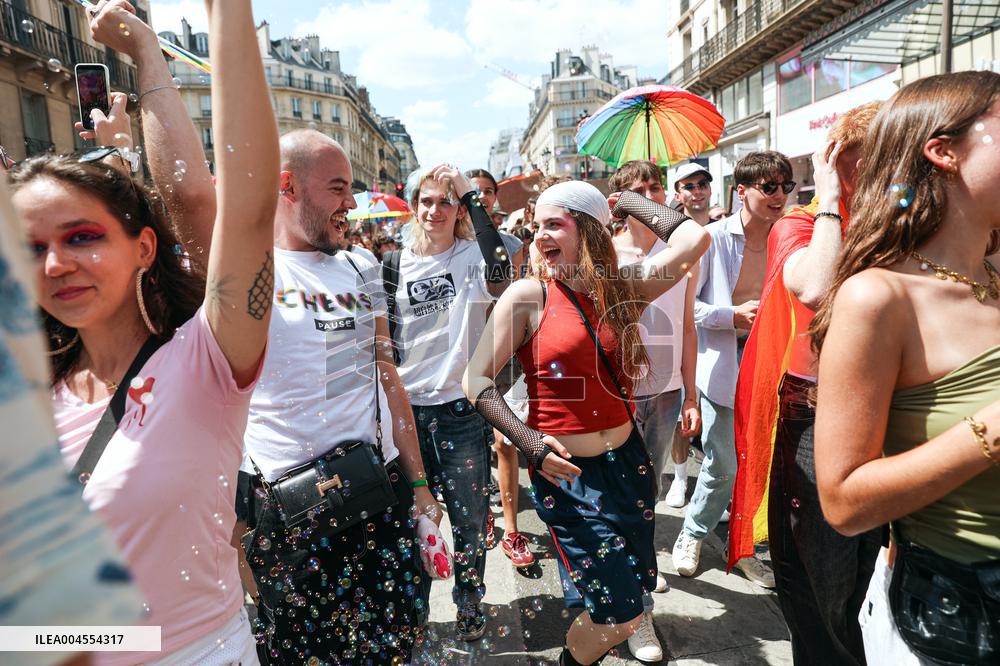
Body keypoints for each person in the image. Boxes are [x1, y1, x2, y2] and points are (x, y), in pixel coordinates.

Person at [10, 0, 280, 662]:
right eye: (28, 247)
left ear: (144, 247)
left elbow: (234, 208)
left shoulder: (203, 365)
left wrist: (192, 32)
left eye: (81, 236)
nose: (55, 263)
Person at [464, 181, 710, 666]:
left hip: (629, 465)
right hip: (567, 476)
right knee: (619, 613)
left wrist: (626, 201)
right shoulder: (527, 296)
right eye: (536, 227)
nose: (538, 237)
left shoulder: (625, 288)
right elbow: (475, 380)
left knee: (630, 589)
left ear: (592, 232)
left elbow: (693, 241)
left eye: (554, 224)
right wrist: (530, 442)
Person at [811, 71, 1000, 665]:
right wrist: (990, 431)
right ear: (943, 152)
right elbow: (843, 502)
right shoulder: (877, 298)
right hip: (958, 616)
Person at [239, 129, 442, 664]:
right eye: (337, 188)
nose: (352, 203)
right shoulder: (248, 275)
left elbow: (387, 375)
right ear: (287, 186)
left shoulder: (362, 266)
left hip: (378, 492)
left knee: (396, 643)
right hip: (292, 516)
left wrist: (419, 484)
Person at [731, 103, 882, 666]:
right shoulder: (800, 223)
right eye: (875, 158)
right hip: (815, 416)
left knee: (873, 576)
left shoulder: (900, 220)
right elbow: (816, 286)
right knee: (823, 582)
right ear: (838, 161)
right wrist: (827, 194)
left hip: (886, 412)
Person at [387, 164, 514, 640]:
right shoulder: (393, 264)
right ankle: (414, 611)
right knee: (413, 519)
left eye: (445, 200)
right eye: (426, 199)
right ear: (414, 206)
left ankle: (468, 603)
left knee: (468, 518)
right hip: (409, 414)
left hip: (461, 412)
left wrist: (471, 195)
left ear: (458, 209)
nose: (433, 209)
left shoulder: (472, 259)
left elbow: (502, 269)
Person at [673, 151, 793, 587]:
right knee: (723, 461)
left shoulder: (790, 236)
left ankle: (741, 547)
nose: (779, 195)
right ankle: (692, 532)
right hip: (723, 362)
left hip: (773, 362)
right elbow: (691, 310)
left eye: (785, 186)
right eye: (769, 187)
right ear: (741, 191)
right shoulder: (712, 238)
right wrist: (733, 315)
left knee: (759, 461)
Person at [609, 160, 701, 663]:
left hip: (666, 391)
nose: (652, 195)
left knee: (650, 490)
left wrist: (689, 393)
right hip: (618, 394)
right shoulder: (604, 252)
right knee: (623, 494)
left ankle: (641, 569)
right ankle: (637, 610)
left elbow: (687, 326)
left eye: (655, 187)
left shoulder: (683, 251)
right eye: (639, 189)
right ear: (621, 199)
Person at [463, 167, 532, 565]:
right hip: (463, 357)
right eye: (474, 194)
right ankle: (484, 512)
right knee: (472, 449)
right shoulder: (448, 245)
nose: (483, 199)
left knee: (505, 442)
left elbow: (512, 293)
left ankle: (513, 530)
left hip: (503, 353)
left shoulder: (510, 244)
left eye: (488, 192)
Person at [663, 162, 715, 509]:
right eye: (689, 185)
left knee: (717, 422)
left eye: (702, 183)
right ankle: (680, 479)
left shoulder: (724, 230)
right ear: (678, 194)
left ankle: (715, 488)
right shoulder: (670, 235)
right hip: (686, 337)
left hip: (721, 340)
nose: (697, 190)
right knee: (685, 413)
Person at [673, 162, 713, 226]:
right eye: (689, 187)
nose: (697, 191)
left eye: (702, 184)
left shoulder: (723, 231)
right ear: (678, 196)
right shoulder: (673, 234)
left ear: (710, 190)